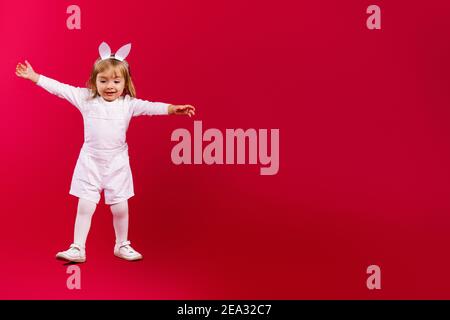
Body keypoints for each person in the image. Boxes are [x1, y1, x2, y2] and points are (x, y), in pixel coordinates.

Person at [15, 42, 195, 263]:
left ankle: (122, 244)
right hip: (90, 161)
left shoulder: (128, 104)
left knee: (120, 207)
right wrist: (35, 77)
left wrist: (172, 109)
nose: (110, 86)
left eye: (116, 81)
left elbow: (151, 107)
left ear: (125, 83)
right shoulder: (86, 98)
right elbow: (60, 89)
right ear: (94, 82)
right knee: (85, 206)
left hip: (117, 163)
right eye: (103, 81)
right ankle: (77, 248)